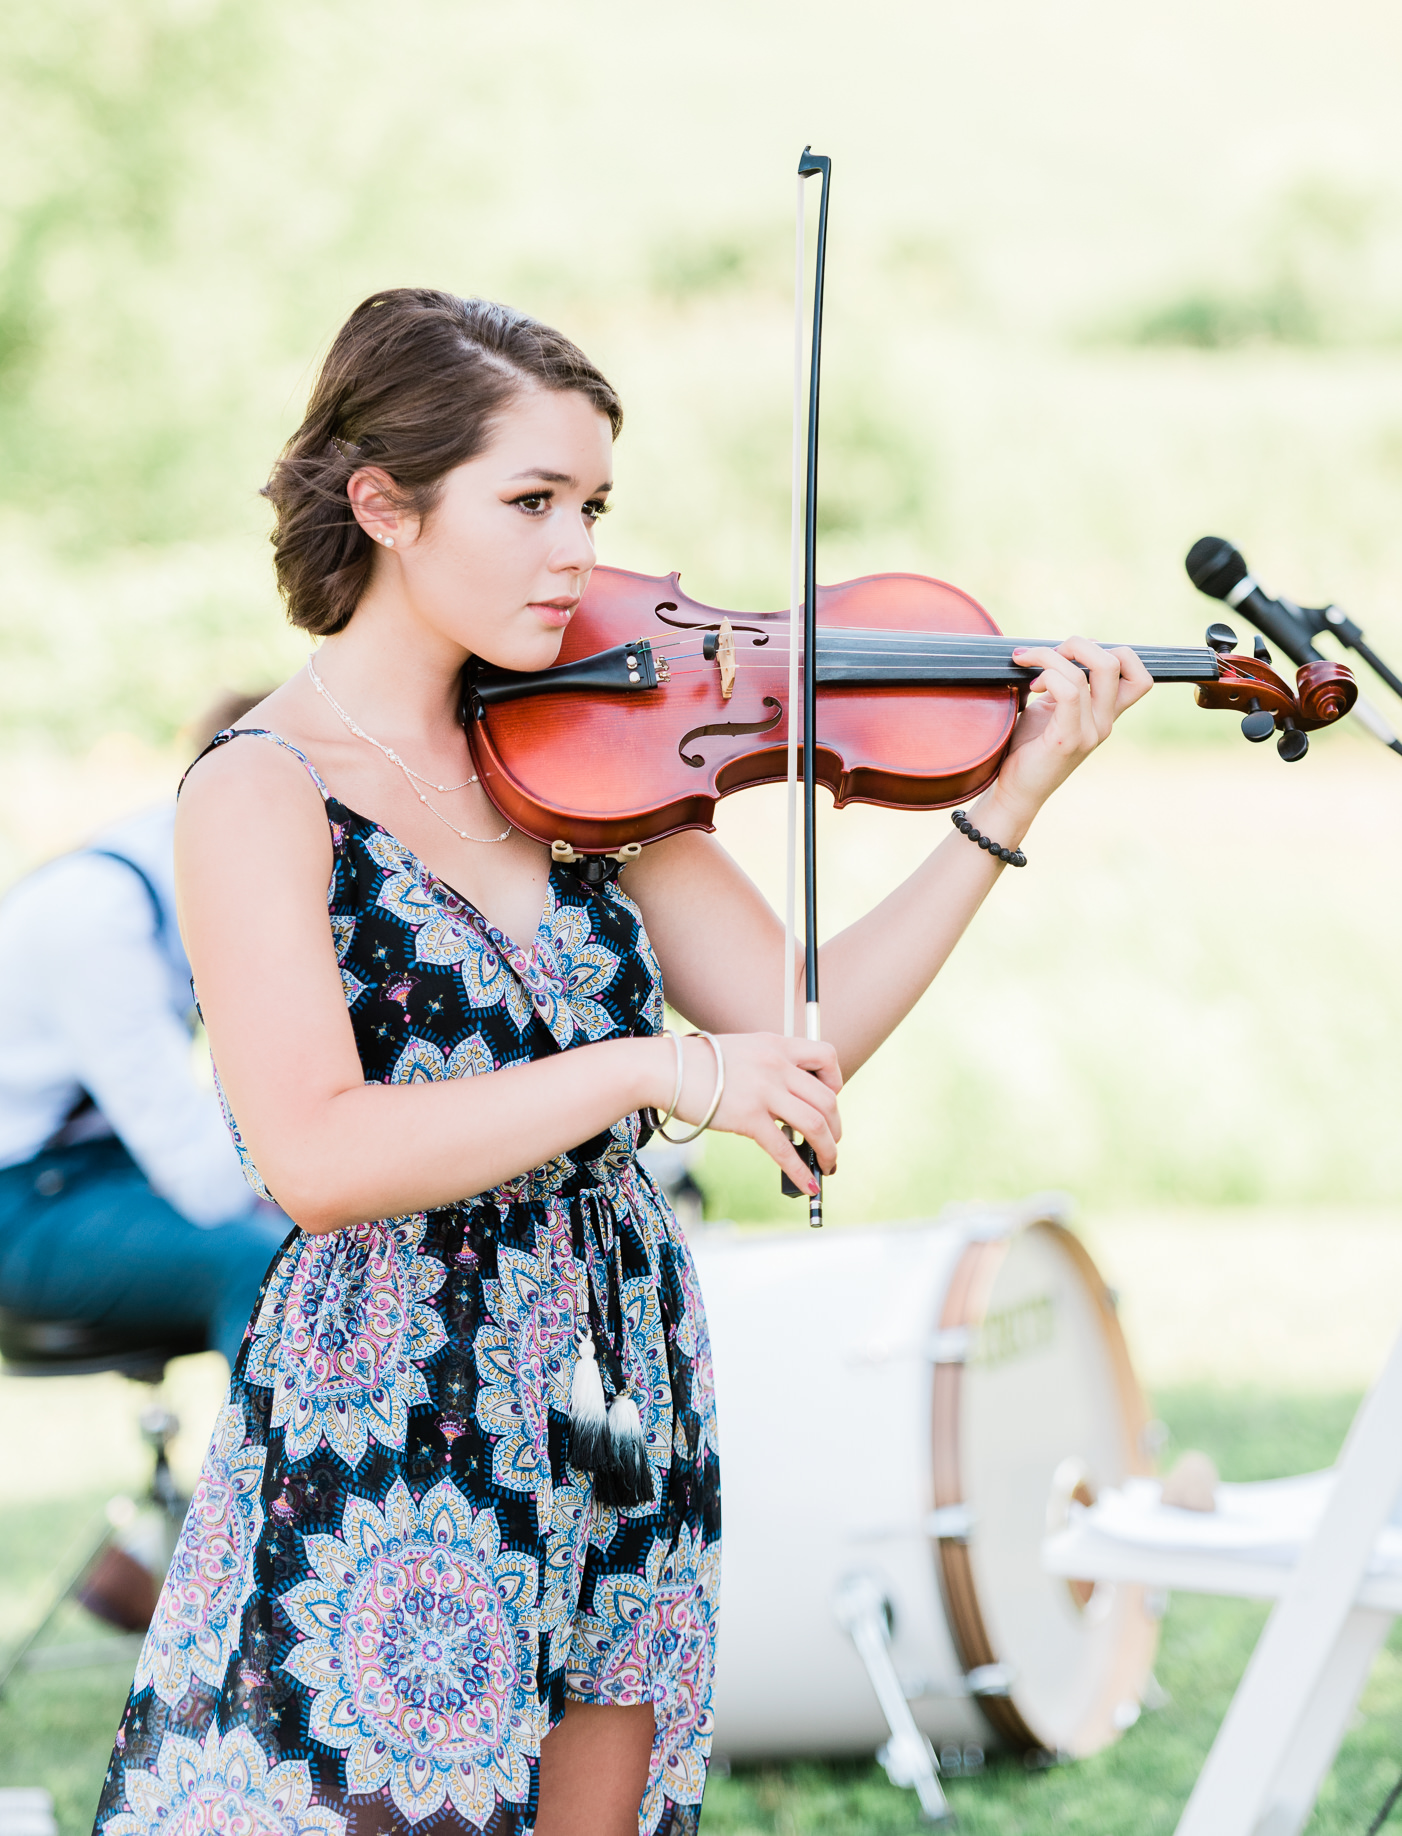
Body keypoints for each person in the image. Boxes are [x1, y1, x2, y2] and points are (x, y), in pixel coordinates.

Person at [95, 290, 1151, 1836]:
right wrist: (644, 1070)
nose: (576, 553)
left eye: (591, 504)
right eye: (528, 503)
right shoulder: (259, 789)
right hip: (398, 1382)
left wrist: (1007, 809)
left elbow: (796, 1033)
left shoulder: (584, 759)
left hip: (618, 1355)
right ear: (383, 502)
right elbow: (315, 1158)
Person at [0, 704, 289, 1369]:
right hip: (25, 1201)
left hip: (99, 1168)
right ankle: (273, 1473)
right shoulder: (95, 922)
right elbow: (202, 1177)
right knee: (261, 1263)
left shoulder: (182, 858)